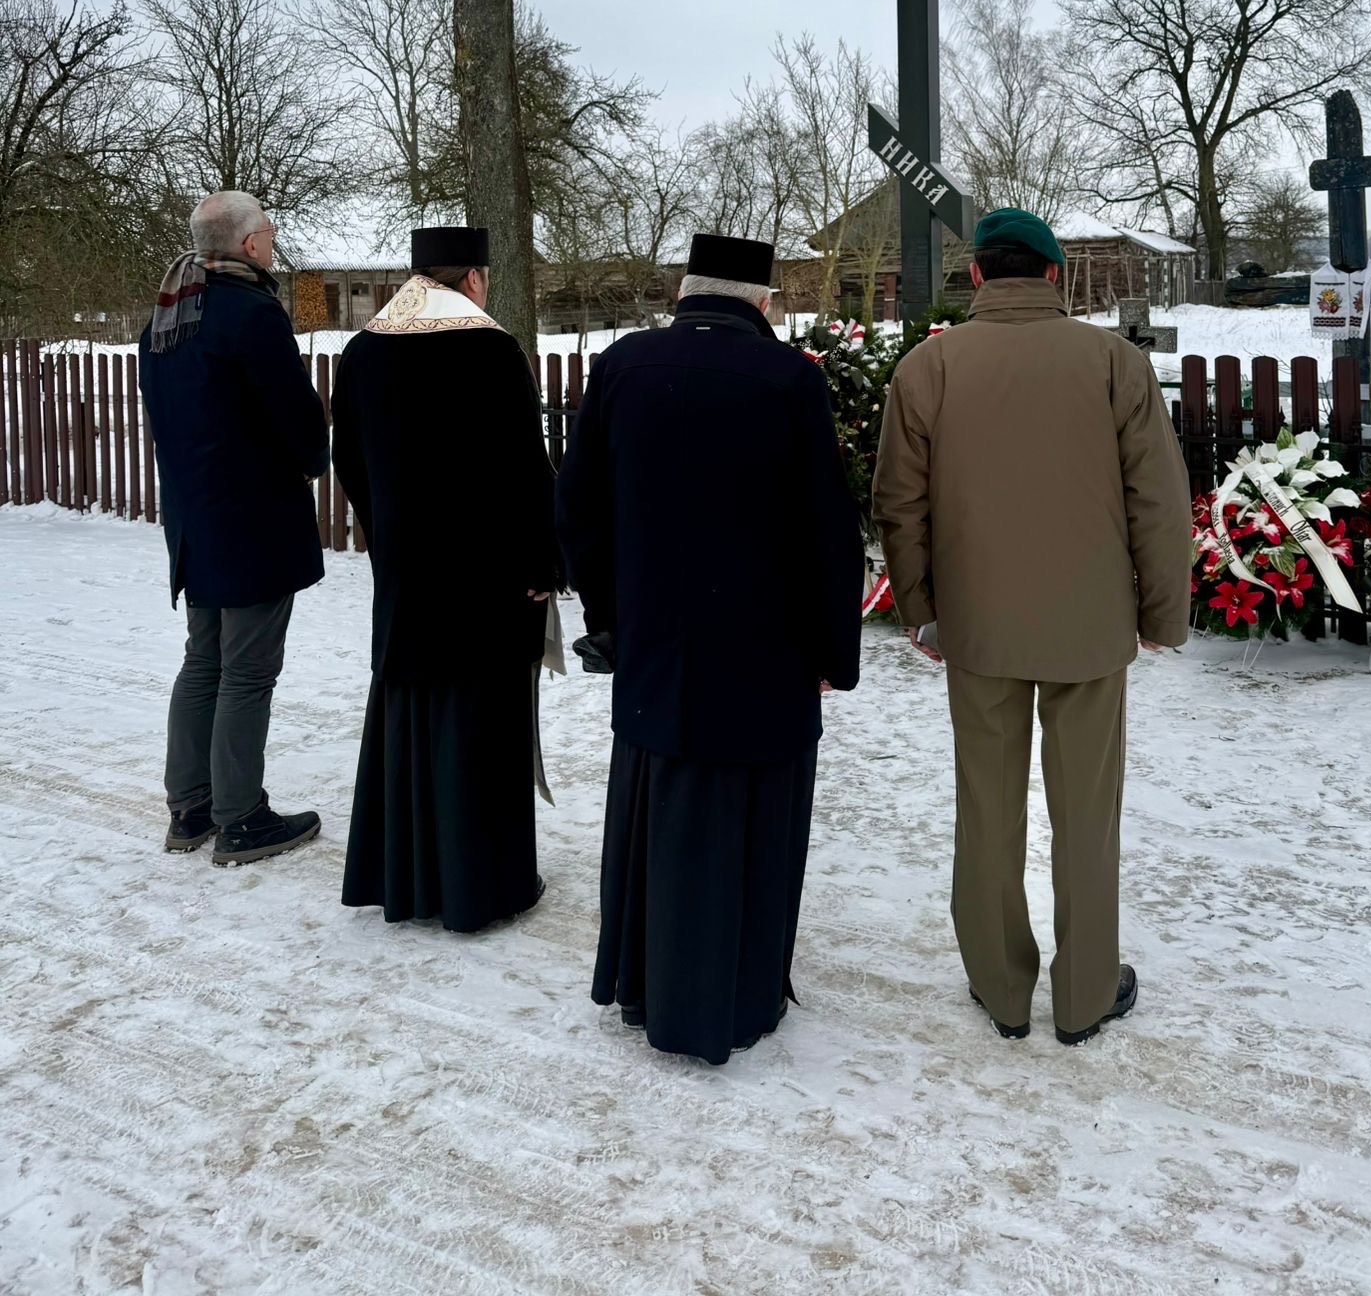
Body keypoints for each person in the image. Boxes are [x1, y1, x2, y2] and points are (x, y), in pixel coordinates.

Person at [872, 207, 1191, 1045]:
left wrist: (921, 611)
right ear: (1055, 275)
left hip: (977, 626)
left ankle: (1000, 985)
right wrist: (1163, 613)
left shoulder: (928, 367)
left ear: (977, 274)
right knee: (1087, 812)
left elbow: (899, 503)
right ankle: (1085, 994)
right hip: (1090, 625)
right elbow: (1159, 500)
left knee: (987, 807)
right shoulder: (1114, 363)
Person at [556, 232, 865, 1065]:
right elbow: (827, 531)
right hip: (764, 656)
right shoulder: (788, 378)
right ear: (761, 302)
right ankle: (734, 996)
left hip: (656, 648)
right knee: (747, 825)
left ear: (684, 293)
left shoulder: (623, 366)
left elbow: (578, 508)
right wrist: (832, 652)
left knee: (660, 815)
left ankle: (644, 983)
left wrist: (611, 618)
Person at [330, 227, 561, 934]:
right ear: (473, 279)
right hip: (485, 580)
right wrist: (543, 563)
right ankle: (479, 888)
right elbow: (525, 469)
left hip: (407, 574)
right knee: (477, 728)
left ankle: (407, 877)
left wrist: (390, 536)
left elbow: (350, 461)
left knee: (409, 720)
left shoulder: (364, 350)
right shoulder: (491, 349)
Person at [140, 190, 329, 866]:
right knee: (247, 671)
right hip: (252, 522)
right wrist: (312, 458)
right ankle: (241, 818)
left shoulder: (167, 317)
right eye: (269, 232)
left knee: (204, 660)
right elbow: (296, 415)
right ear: (249, 244)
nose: (272, 242)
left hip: (195, 520)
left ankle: (190, 807)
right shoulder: (250, 312)